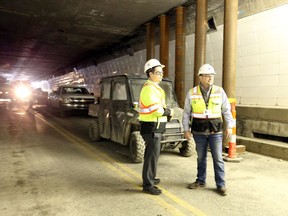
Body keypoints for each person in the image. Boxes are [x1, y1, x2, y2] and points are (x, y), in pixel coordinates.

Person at [182, 63, 234, 196]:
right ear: (200, 77)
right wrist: (186, 129)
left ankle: (221, 185)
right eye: (207, 75)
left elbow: (226, 110)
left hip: (215, 131)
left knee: (218, 158)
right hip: (199, 131)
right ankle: (200, 181)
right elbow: (186, 113)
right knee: (201, 158)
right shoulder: (192, 92)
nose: (210, 78)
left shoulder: (219, 91)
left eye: (212, 75)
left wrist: (229, 126)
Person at [139, 59, 173, 195]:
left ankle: (150, 177)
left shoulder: (154, 87)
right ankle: (148, 184)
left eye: (162, 72)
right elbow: (156, 109)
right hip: (151, 127)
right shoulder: (149, 89)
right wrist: (168, 111)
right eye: (158, 72)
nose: (161, 75)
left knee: (153, 155)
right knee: (151, 156)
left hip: (155, 127)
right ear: (150, 73)